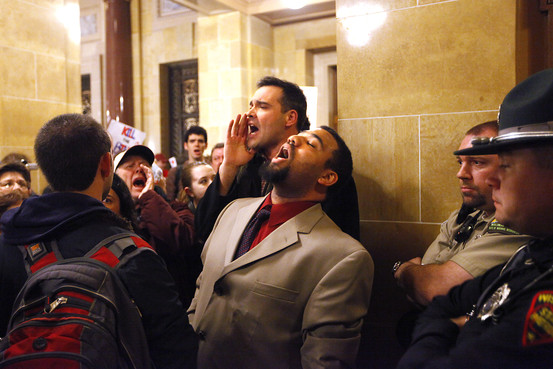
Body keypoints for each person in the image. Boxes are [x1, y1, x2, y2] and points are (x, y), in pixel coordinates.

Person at [0, 113, 197, 368]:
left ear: (45, 169)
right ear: (106, 165)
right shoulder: (134, 253)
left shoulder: (9, 244)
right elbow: (177, 351)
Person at [398, 68, 553, 369]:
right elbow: (446, 303)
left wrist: (456, 327)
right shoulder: (534, 255)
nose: (493, 179)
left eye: (506, 165)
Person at [188, 126, 374, 369]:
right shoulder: (232, 211)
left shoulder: (343, 257)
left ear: (326, 176)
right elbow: (203, 290)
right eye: (297, 135)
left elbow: (322, 361)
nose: (293, 138)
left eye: (311, 143)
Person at [195, 76, 360, 244]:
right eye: (251, 106)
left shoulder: (321, 172)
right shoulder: (245, 168)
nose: (249, 113)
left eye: (262, 107)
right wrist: (229, 165)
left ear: (290, 118)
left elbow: (338, 248)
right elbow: (205, 230)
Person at [393, 121, 533, 307]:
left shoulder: (519, 224)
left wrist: (404, 270)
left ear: (509, 167)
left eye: (477, 162)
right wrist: (422, 280)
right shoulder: (463, 218)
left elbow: (435, 290)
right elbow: (420, 291)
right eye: (460, 162)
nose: (461, 173)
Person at [114, 144, 198, 308]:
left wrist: (148, 198)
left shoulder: (176, 208)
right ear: (114, 178)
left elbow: (180, 239)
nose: (138, 169)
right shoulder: (110, 215)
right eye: (130, 166)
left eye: (144, 166)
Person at [166, 125, 208, 201]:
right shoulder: (176, 172)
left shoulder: (213, 170)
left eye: (200, 141)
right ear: (186, 145)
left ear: (206, 145)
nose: (196, 144)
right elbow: (170, 201)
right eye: (192, 141)